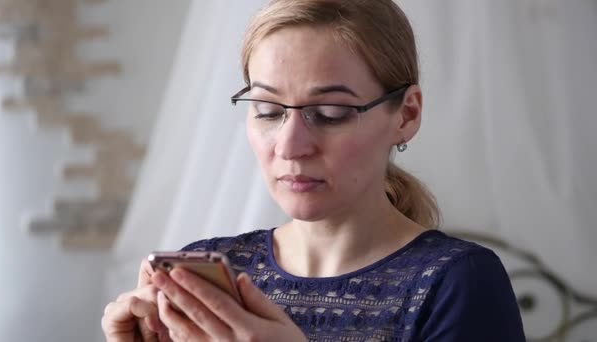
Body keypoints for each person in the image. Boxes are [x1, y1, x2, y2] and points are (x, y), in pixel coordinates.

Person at [102, 0, 526, 341]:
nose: (289, 146)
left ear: (406, 114)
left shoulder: (458, 284)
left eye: (330, 112)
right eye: (267, 111)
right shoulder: (216, 275)